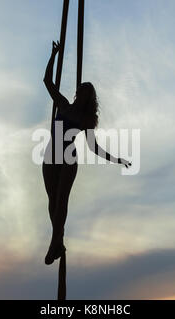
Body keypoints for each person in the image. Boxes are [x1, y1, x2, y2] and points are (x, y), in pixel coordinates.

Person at [42, 41, 131, 265]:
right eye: (80, 90)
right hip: (50, 155)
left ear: (88, 98)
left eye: (84, 92)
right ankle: (58, 242)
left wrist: (117, 159)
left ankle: (55, 243)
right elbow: (47, 82)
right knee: (52, 202)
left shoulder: (87, 120)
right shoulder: (62, 105)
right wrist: (53, 55)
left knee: (62, 199)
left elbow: (94, 148)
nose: (79, 93)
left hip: (68, 158)